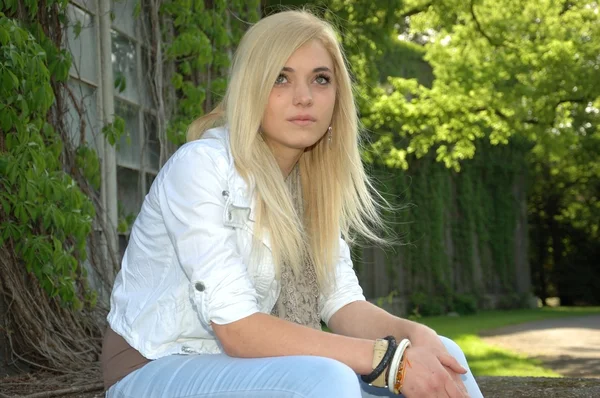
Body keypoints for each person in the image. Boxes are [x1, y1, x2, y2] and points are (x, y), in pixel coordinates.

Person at [101, 9, 484, 398]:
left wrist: (415, 335)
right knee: (326, 379)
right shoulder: (200, 167)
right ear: (253, 87)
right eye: (281, 78)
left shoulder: (312, 186)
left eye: (320, 79)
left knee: (445, 353)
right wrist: (391, 362)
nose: (304, 97)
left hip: (243, 370)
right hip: (153, 367)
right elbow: (237, 329)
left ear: (337, 98)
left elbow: (342, 304)